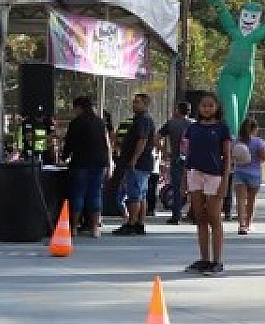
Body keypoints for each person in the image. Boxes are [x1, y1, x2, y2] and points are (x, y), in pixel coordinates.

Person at [183, 92, 232, 276]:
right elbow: (187, 156)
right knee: (200, 217)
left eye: (211, 105)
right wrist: (183, 181)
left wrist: (225, 182)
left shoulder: (222, 128)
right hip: (195, 174)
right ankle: (204, 259)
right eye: (204, 105)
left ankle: (217, 261)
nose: (207, 108)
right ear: (199, 108)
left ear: (217, 107)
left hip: (214, 175)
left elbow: (227, 158)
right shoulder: (193, 128)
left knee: (214, 217)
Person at [62, 96, 112, 238]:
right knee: (95, 194)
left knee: (78, 194)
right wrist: (109, 164)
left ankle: (74, 227)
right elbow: (106, 144)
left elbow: (69, 143)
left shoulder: (76, 123)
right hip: (99, 163)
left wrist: (64, 157)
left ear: (79, 107)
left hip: (81, 162)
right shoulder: (100, 123)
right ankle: (95, 228)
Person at [113, 93, 156, 236]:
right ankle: (139, 223)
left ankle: (132, 223)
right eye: (134, 102)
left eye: (138, 102)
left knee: (134, 194)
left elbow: (142, 140)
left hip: (139, 163)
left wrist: (134, 159)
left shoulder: (143, 120)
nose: (134, 104)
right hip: (143, 163)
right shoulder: (140, 120)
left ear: (145, 104)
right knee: (141, 194)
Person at [156, 102, 193, 224]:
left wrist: (164, 152)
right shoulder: (194, 124)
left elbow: (156, 138)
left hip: (176, 159)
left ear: (177, 110)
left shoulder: (171, 123)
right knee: (194, 188)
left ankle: (176, 215)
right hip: (193, 160)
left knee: (177, 187)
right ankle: (194, 214)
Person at [231, 118, 265, 235]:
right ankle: (248, 224)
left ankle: (241, 225)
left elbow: (232, 156)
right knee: (251, 200)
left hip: (239, 172)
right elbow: (264, 157)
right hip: (254, 173)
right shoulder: (258, 142)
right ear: (254, 129)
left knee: (240, 200)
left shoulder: (236, 141)